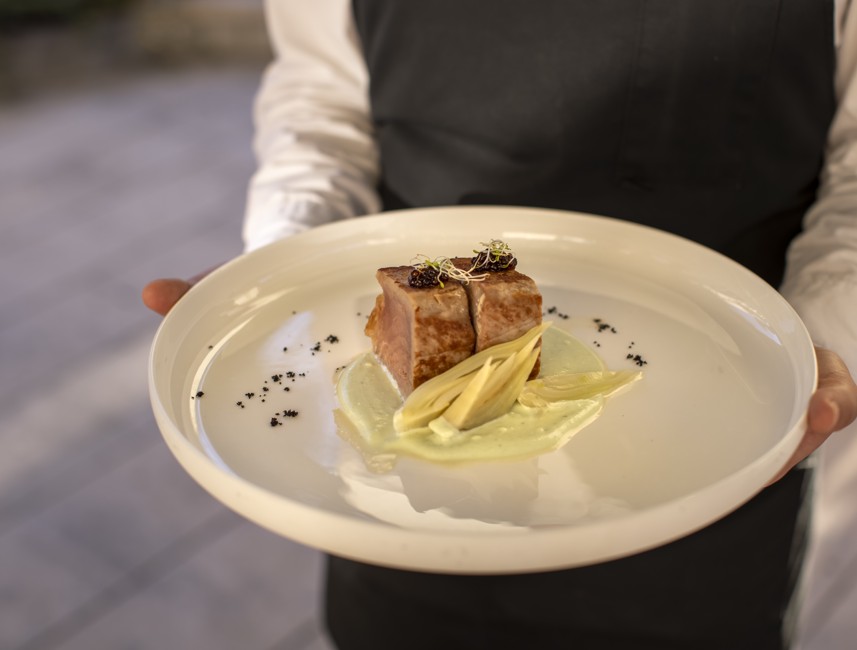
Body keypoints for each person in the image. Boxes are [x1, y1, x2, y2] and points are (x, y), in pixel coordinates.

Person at [144, 1, 857, 648]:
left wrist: (819, 339)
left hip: (709, 483)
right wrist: (284, 260)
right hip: (394, 506)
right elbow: (323, 112)